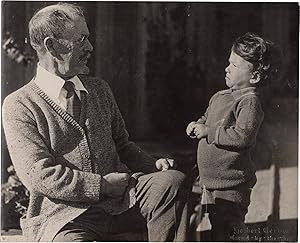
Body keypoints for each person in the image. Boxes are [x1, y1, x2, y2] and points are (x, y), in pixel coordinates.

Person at [2, 3, 189, 242]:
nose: (90, 47)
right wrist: (100, 186)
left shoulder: (99, 89)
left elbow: (123, 145)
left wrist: (152, 165)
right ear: (52, 45)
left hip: (121, 203)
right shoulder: (20, 104)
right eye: (81, 39)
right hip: (64, 217)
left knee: (171, 182)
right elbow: (39, 175)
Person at [186, 32, 281, 241]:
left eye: (235, 66)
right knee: (213, 225)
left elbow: (243, 136)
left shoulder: (249, 102)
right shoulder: (220, 96)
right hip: (210, 181)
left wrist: (208, 132)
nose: (227, 68)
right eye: (229, 63)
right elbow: (207, 118)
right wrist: (198, 124)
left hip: (231, 183)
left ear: (254, 76)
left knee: (228, 228)